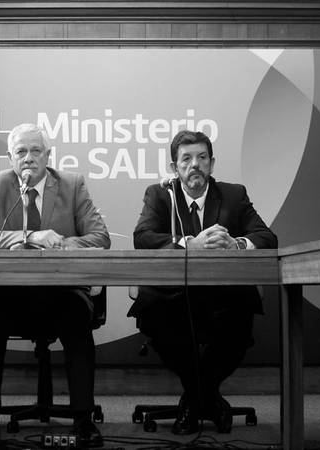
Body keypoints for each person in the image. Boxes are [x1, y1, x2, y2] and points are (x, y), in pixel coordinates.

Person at [0, 123, 110, 446]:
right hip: (10, 295)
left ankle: (83, 420)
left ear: (49, 155)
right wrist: (28, 237)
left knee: (77, 318)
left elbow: (100, 237)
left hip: (62, 294)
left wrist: (59, 244)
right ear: (10, 157)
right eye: (21, 151)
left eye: (36, 151)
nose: (28, 158)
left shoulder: (72, 185)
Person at [128, 130, 277, 435]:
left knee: (239, 319)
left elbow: (267, 237)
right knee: (157, 315)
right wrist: (188, 244)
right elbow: (142, 237)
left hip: (224, 298)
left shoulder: (233, 195)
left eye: (202, 158)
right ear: (174, 167)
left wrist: (236, 244)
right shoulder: (160, 195)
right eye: (186, 159)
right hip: (172, 297)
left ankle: (193, 401)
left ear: (212, 163)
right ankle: (207, 399)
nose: (194, 164)